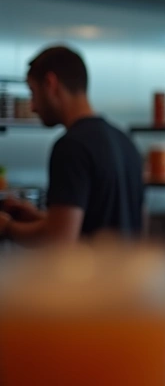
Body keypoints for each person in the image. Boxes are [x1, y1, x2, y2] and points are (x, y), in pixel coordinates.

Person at [0, 46, 143, 245]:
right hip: (126, 274)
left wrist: (7, 228)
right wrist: (37, 217)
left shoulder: (72, 147)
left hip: (90, 276)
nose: (33, 106)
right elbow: (91, 225)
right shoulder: (124, 141)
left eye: (33, 93)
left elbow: (59, 241)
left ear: (51, 83)